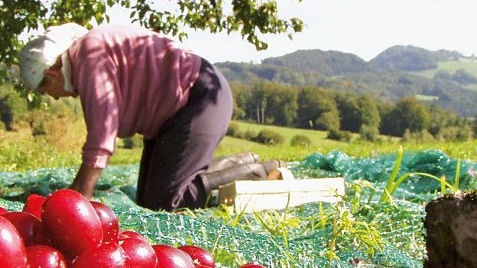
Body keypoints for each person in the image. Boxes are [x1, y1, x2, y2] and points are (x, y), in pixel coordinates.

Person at [18, 23, 283, 211]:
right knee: (147, 198)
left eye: (45, 90)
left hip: (198, 99)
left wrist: (81, 194)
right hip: (176, 113)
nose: (52, 97)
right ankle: (244, 161)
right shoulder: (87, 51)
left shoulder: (89, 55)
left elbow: (102, 133)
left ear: (52, 74)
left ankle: (260, 171)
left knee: (167, 201)